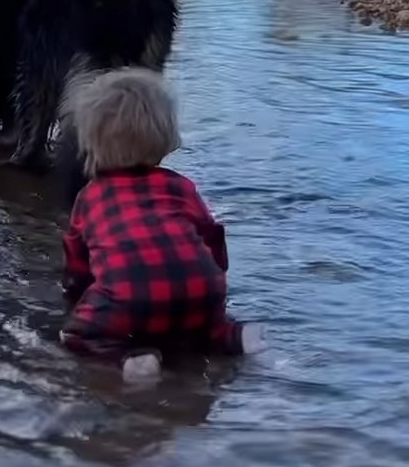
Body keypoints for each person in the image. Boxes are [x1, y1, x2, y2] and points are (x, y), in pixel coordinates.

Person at [59, 68, 265, 381]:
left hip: (129, 298)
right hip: (202, 288)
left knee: (76, 336)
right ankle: (234, 338)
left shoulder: (90, 197)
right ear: (166, 133)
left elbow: (78, 268)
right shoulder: (181, 187)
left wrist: (79, 301)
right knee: (200, 327)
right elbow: (213, 238)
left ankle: (130, 361)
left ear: (89, 140)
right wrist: (215, 283)